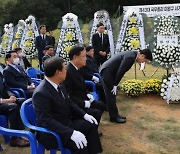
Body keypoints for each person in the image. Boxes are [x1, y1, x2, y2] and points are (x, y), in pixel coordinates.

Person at [33, 57, 102, 154]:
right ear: (58, 72)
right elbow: (46, 120)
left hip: (66, 122)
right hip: (52, 131)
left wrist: (84, 115)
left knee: (90, 126)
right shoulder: (41, 93)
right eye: (65, 69)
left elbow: (69, 103)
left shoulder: (59, 84)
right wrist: (71, 133)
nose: (67, 71)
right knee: (79, 144)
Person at [100, 49, 153, 123]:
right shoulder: (130, 57)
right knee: (111, 95)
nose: (142, 62)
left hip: (109, 71)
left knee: (112, 95)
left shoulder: (133, 54)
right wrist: (115, 85)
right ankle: (113, 117)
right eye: (144, 61)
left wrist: (115, 84)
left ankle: (115, 114)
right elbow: (121, 71)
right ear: (142, 55)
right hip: (107, 71)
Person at [64, 45, 107, 125]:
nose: (86, 59)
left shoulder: (77, 68)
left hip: (84, 98)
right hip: (76, 104)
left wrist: (88, 93)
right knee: (96, 112)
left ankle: (93, 126)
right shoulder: (68, 72)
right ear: (75, 57)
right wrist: (83, 103)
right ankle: (91, 129)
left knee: (101, 105)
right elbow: (68, 95)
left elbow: (82, 84)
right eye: (83, 56)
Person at [0, 72, 29, 147]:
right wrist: (6, 101)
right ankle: (14, 139)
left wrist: (11, 96)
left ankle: (23, 129)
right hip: (1, 102)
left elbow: (6, 87)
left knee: (22, 101)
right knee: (13, 107)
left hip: (5, 99)